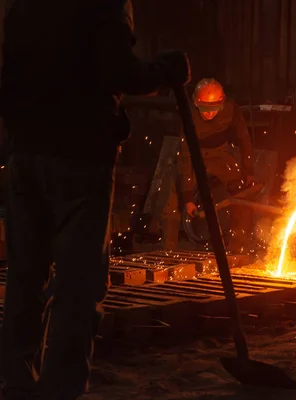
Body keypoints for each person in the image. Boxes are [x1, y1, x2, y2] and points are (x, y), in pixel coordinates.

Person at [0, 0, 190, 398]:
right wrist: (162, 72)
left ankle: (16, 383)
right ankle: (61, 390)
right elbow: (116, 71)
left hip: (25, 155)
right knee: (78, 284)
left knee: (25, 276)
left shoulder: (23, 7)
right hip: (79, 158)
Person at [177, 78, 255, 253]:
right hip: (195, 155)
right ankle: (170, 249)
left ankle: (238, 246)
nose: (210, 113)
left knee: (241, 192)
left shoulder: (231, 109)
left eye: (214, 109)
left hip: (221, 154)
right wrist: (188, 197)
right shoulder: (187, 115)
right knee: (171, 200)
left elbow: (244, 140)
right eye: (205, 108)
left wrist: (248, 170)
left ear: (222, 102)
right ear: (196, 102)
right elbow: (185, 157)